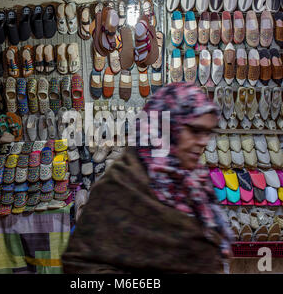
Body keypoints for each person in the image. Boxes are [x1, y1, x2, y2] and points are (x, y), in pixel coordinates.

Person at [62, 83, 234, 273]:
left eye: (207, 132)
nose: (204, 141)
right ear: (167, 127)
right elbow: (80, 264)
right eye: (194, 130)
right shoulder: (120, 186)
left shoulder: (194, 179)